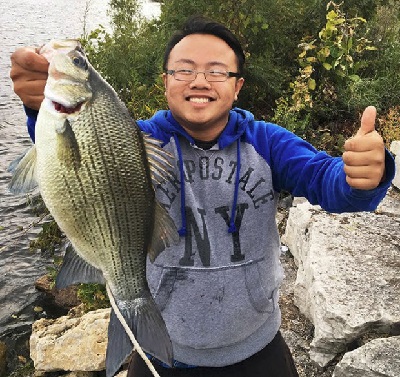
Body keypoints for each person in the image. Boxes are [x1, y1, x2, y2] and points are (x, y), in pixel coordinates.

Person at [10, 15, 395, 377]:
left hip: (257, 347)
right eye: (184, 69)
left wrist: (362, 177)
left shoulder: (267, 142)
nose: (199, 81)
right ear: (165, 80)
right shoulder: (135, 141)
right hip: (163, 349)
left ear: (237, 85)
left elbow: (326, 182)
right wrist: (35, 106)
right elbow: (75, 163)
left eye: (216, 71)